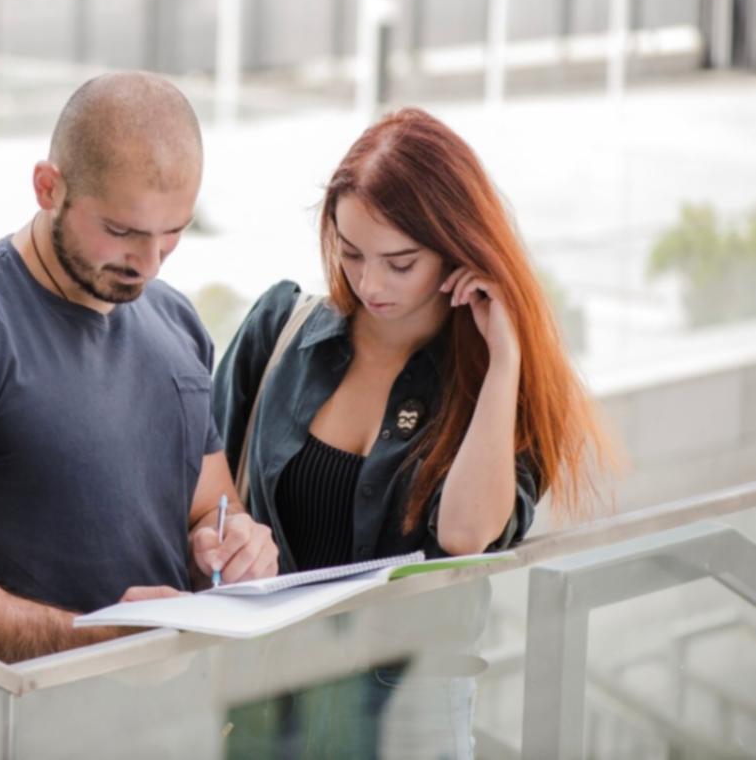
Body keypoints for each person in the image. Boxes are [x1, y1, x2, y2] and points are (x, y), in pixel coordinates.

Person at [213, 107, 614, 757]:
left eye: (400, 263)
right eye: (350, 254)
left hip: (411, 711)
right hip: (270, 693)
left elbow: (462, 536)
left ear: (457, 247)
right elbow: (202, 491)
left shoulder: (495, 384)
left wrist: (504, 358)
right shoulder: (281, 331)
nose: (370, 283)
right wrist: (222, 540)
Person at [0, 71, 278, 665]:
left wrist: (231, 544)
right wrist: (91, 641)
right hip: (14, 724)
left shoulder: (174, 319)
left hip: (171, 716)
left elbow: (209, 506)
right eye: (121, 232)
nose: (148, 264)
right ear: (48, 187)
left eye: (173, 233)